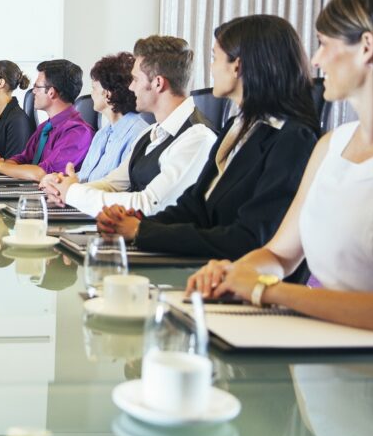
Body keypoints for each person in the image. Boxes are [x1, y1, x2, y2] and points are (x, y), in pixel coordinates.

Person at [187, 0, 373, 330]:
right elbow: (279, 254)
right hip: (313, 355)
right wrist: (235, 272)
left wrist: (268, 292)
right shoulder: (330, 145)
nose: (316, 60)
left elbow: (275, 283)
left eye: (324, 45)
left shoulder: (300, 139)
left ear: (366, 47)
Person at [99, 16, 318, 259]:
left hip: (243, 280)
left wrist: (141, 231)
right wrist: (134, 224)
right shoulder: (237, 127)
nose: (210, 68)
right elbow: (195, 206)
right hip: (209, 267)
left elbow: (249, 238)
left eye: (215, 58)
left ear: (238, 66)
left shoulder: (292, 139)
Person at [41, 36, 218, 216]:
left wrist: (73, 193)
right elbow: (113, 184)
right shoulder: (150, 133)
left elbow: (149, 205)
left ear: (158, 83)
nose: (131, 87)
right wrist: (62, 188)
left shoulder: (198, 138)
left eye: (135, 79)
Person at [41, 52, 149, 185]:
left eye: (94, 88)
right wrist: (59, 181)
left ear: (107, 94)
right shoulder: (102, 134)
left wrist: (72, 189)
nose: (91, 94)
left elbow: (122, 188)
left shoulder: (138, 136)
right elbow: (86, 176)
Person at [0, 59, 93, 181]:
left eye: (37, 87)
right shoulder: (45, 127)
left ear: (51, 92)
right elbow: (22, 160)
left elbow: (42, 173)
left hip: (50, 199)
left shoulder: (78, 132)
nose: (33, 92)